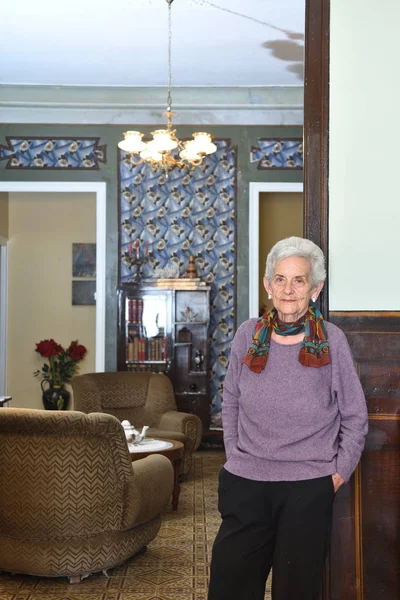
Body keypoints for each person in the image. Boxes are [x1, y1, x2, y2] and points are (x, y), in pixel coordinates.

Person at [208, 236, 368, 600]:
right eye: (280, 279)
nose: (288, 289)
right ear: (268, 286)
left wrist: (338, 472)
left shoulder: (332, 340)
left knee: (296, 591)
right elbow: (231, 397)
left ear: (316, 289)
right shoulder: (247, 335)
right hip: (246, 481)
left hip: (308, 486)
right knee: (228, 586)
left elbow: (355, 415)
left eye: (299, 280)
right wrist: (234, 453)